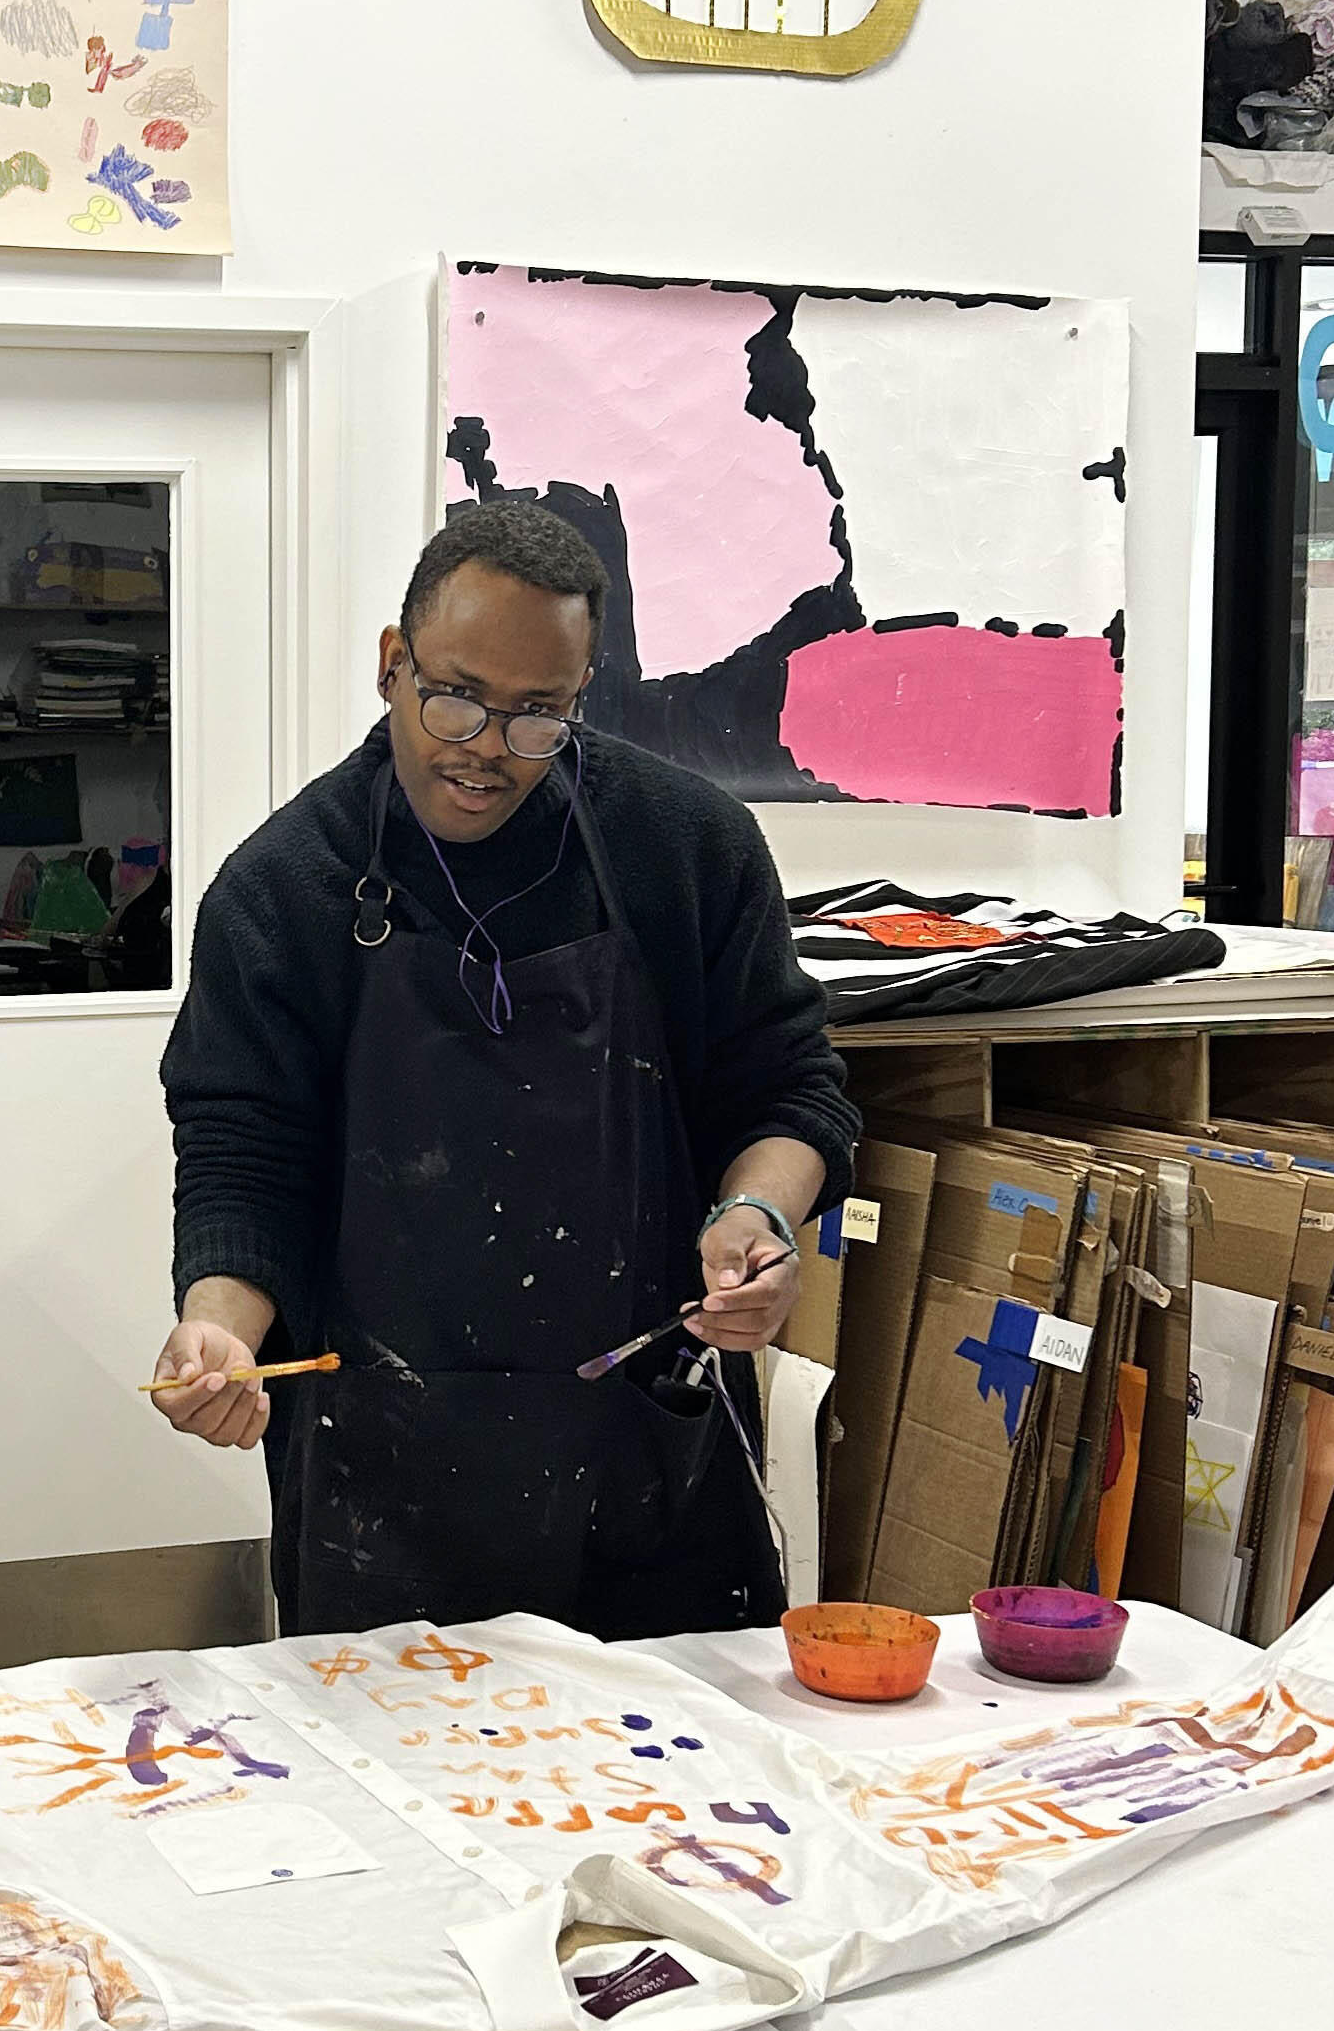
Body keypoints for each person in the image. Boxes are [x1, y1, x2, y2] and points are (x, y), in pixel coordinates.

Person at [150, 496, 856, 1637]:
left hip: (650, 1456)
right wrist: (218, 1326)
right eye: (457, 698)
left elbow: (790, 1084)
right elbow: (245, 1155)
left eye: (539, 716)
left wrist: (756, 1211)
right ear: (393, 663)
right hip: (385, 1484)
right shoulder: (285, 889)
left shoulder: (685, 846)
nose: (488, 749)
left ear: (583, 694)